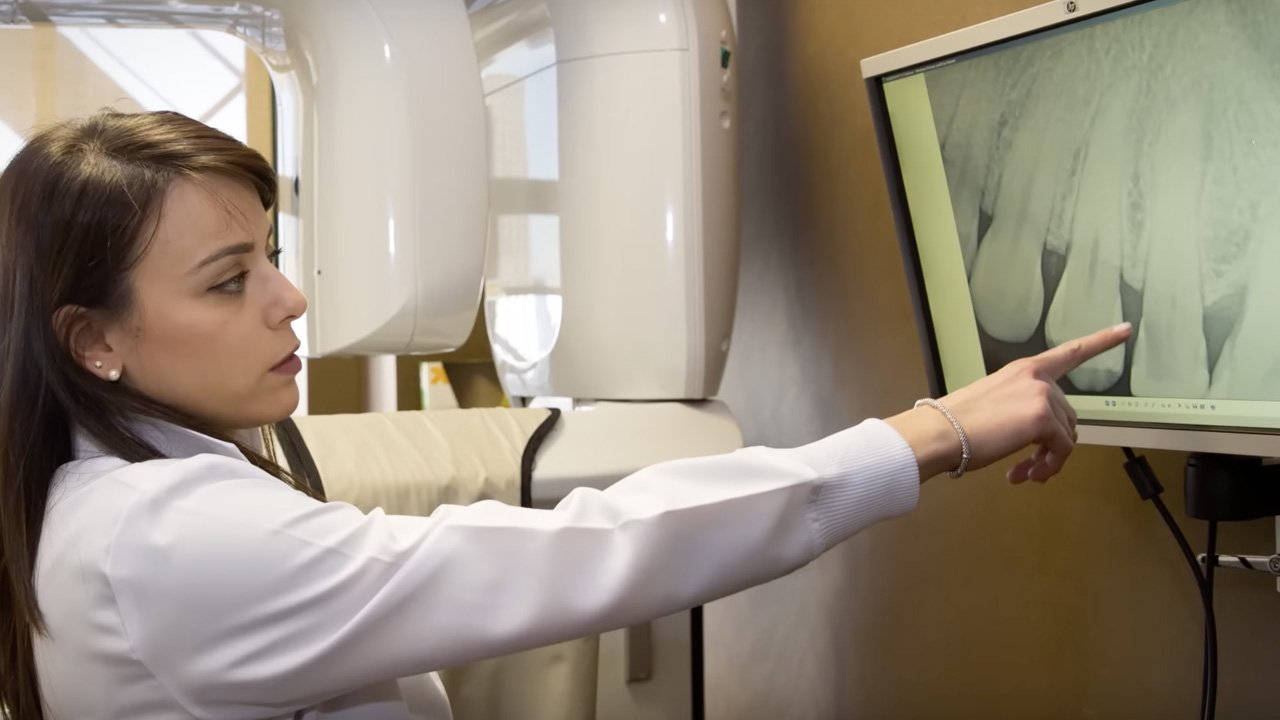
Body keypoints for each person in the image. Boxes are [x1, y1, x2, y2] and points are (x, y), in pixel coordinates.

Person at [0, 110, 1131, 720]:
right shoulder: (169, 538)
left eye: (274, 257)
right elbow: (603, 550)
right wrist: (933, 431)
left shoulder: (95, 495)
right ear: (91, 340)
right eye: (227, 279)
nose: (290, 300)